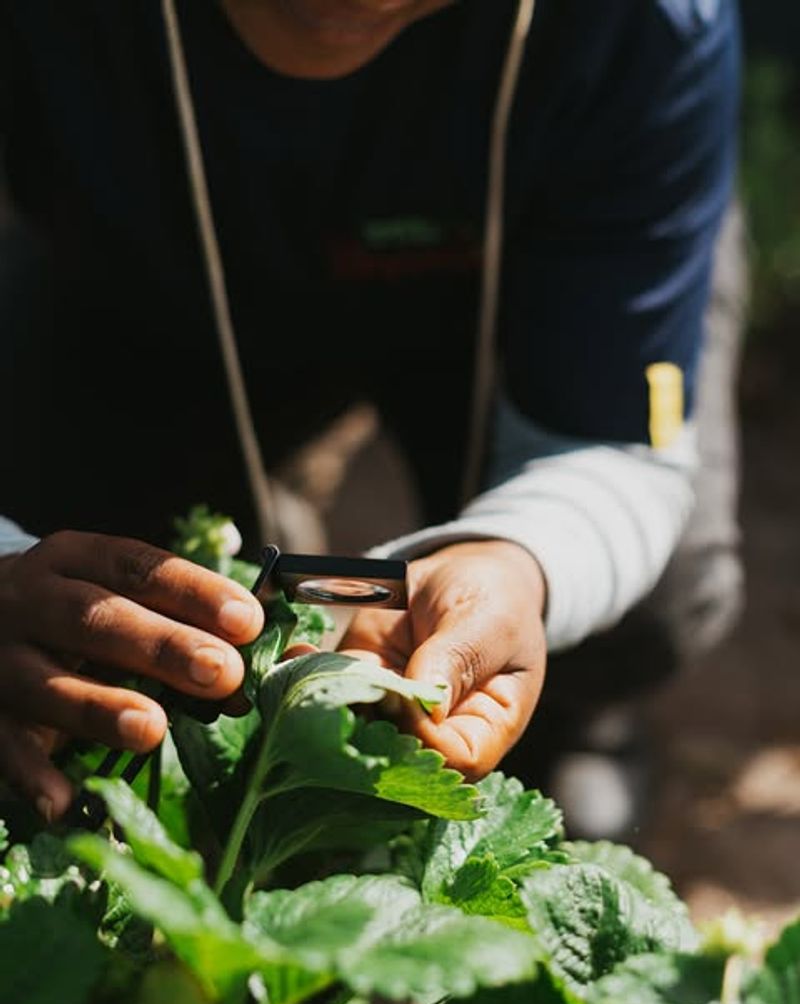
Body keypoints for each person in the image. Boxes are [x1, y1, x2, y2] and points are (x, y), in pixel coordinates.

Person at [0, 0, 741, 823]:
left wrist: (521, 561)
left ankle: (576, 717)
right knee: (89, 585)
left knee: (652, 587)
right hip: (142, 283)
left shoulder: (647, 25)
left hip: (527, 294)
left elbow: (609, 442)